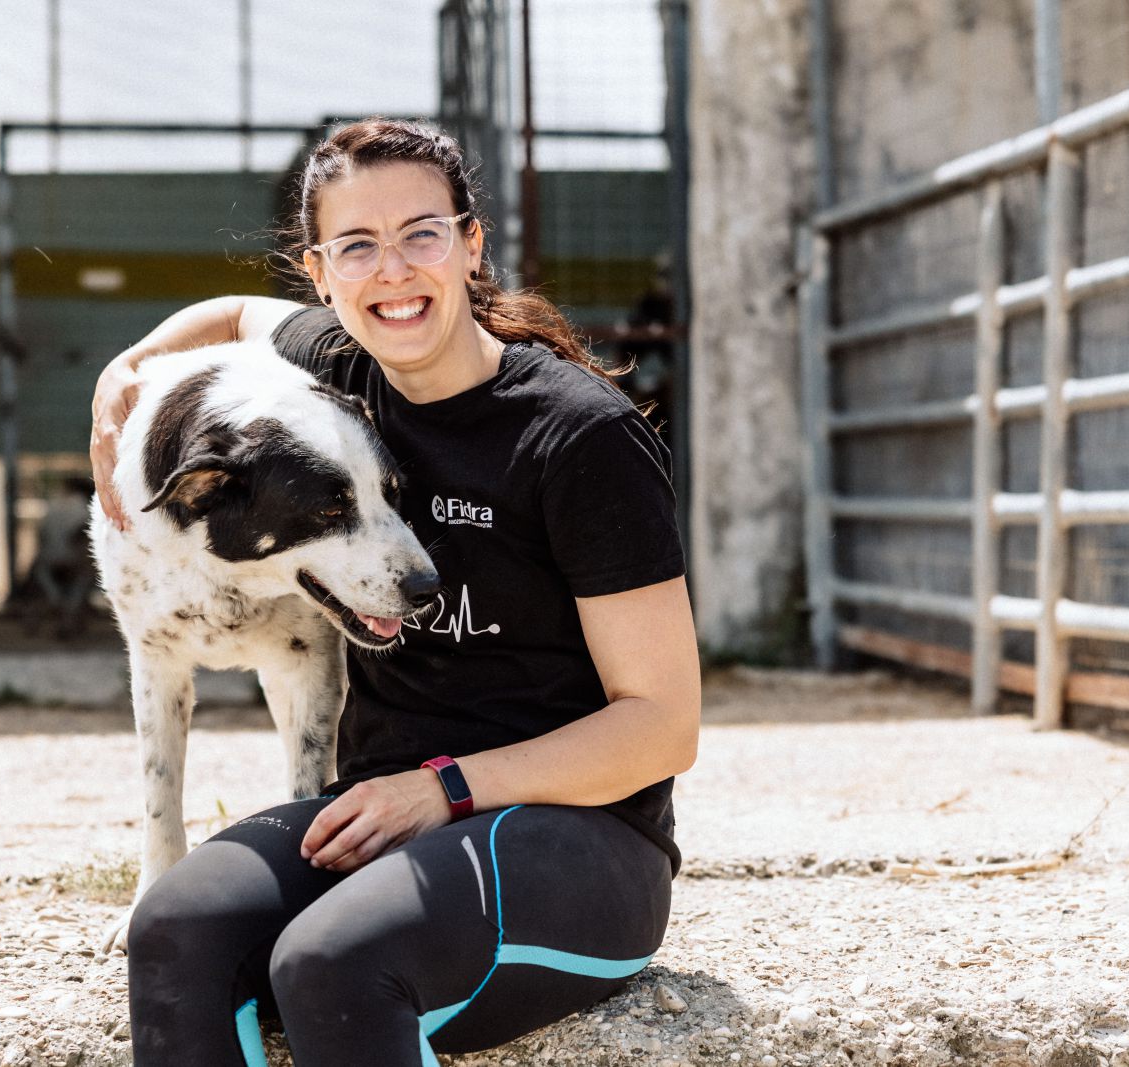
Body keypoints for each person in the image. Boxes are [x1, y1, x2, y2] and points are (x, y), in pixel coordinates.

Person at [88, 117, 700, 1066]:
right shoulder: (336, 378)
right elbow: (232, 314)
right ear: (320, 274)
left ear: (471, 245)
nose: (393, 271)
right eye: (357, 247)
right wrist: (121, 374)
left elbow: (662, 727)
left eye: (422, 234)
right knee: (173, 931)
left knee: (331, 961)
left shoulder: (580, 438)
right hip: (384, 816)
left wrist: (444, 789)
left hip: (578, 839)